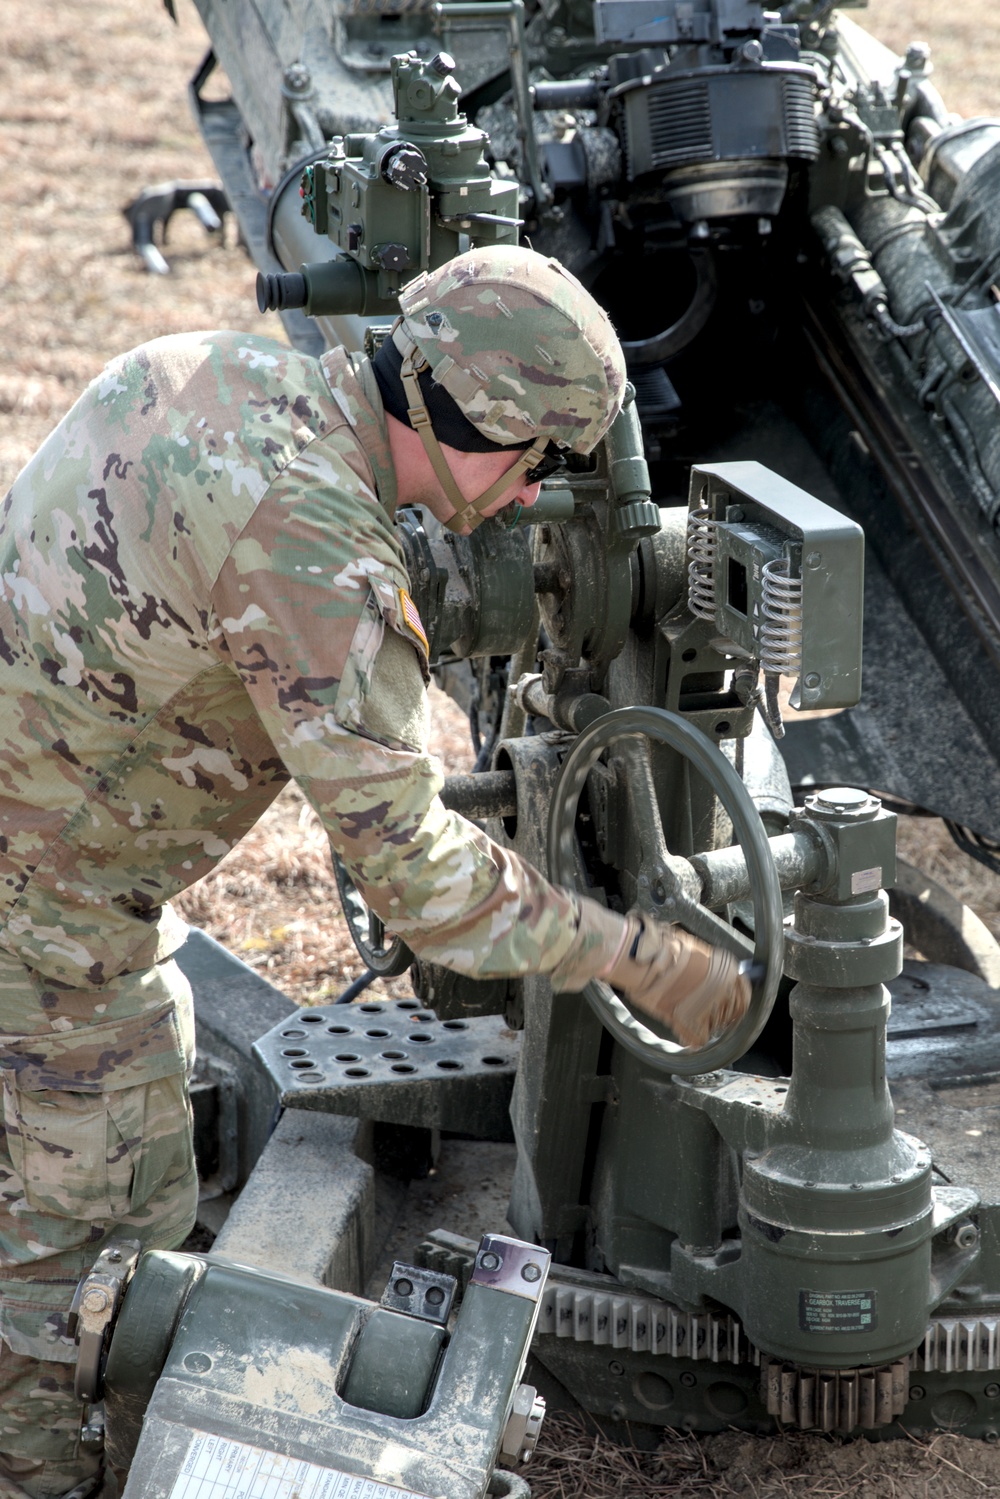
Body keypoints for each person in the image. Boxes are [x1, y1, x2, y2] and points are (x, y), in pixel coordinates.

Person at [0, 244, 748, 1498]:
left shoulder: (207, 372)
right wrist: (635, 952)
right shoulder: (317, 553)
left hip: (48, 862)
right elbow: (420, 883)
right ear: (479, 424)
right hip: (44, 922)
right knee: (98, 1245)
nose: (524, 503)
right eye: (531, 465)